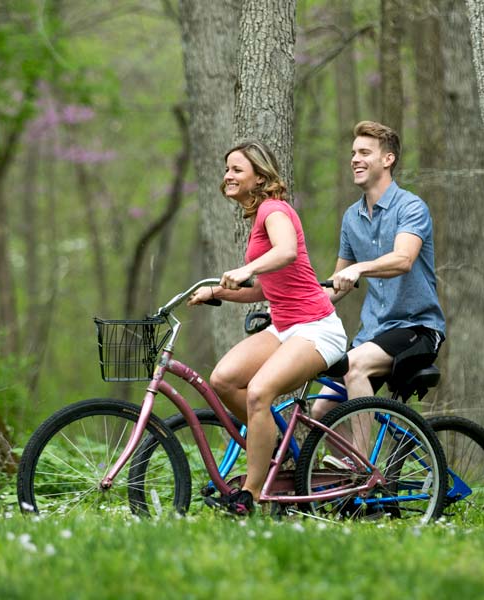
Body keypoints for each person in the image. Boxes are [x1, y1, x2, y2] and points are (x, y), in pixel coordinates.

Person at [187, 140, 347, 516]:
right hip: (285, 326)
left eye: (237, 170)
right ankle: (268, 439)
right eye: (226, 169)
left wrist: (246, 268)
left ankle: (251, 495)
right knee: (224, 379)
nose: (228, 175)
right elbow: (265, 289)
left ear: (260, 177)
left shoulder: (275, 210)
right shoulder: (259, 217)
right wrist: (217, 292)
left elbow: (287, 251)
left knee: (259, 391)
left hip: (317, 328)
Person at [313, 120, 446, 431]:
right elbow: (336, 284)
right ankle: (345, 476)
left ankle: (362, 469)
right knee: (320, 412)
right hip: (372, 333)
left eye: (364, 152)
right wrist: (289, 310)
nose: (355, 159)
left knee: (355, 366)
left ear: (388, 159)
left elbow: (403, 259)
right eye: (353, 153)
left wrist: (359, 268)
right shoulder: (351, 217)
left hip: (417, 329)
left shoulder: (411, 207)